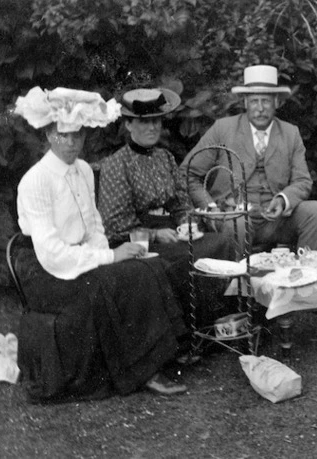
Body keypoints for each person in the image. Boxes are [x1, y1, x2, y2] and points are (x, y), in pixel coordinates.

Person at [14, 86, 188, 402]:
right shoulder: (36, 181)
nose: (70, 143)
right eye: (62, 135)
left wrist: (104, 252)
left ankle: (162, 354)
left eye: (77, 135)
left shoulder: (82, 170)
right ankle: (142, 370)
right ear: (49, 134)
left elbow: (94, 226)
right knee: (122, 278)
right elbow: (52, 253)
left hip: (81, 256)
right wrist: (108, 257)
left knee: (144, 265)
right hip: (47, 271)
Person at [97, 87, 230, 328]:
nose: (152, 127)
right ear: (128, 124)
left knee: (221, 243)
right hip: (137, 239)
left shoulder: (165, 157)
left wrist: (186, 223)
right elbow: (115, 225)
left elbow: (180, 202)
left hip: (171, 232)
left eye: (156, 120)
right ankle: (189, 334)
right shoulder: (117, 164)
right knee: (185, 260)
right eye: (143, 121)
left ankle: (215, 324)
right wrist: (155, 234)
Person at [180, 65, 317, 252]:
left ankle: (306, 275)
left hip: (276, 221)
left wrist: (283, 200)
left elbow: (302, 180)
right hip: (231, 217)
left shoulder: (291, 133)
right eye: (254, 101)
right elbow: (188, 173)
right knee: (238, 224)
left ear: (276, 102)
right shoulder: (223, 129)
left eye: (266, 101)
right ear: (244, 102)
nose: (260, 109)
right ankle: (236, 280)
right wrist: (210, 209)